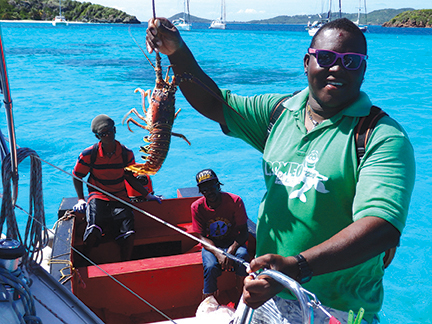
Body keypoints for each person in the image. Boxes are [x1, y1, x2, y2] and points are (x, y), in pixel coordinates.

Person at [146, 18, 415, 323]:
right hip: (268, 293)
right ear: (307, 62)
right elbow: (213, 102)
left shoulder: (382, 136)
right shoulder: (278, 114)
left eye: (351, 62)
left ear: (364, 70)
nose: (337, 69)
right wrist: (176, 51)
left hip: (338, 307)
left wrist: (296, 267)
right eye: (326, 58)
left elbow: (381, 228)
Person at [72, 114, 161, 261]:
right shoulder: (89, 154)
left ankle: (125, 263)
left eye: (110, 131)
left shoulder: (126, 154)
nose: (108, 136)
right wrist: (81, 199)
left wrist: (147, 195)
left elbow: (130, 178)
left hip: (119, 196)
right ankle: (85, 260)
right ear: (97, 137)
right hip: (97, 196)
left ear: (115, 130)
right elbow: (77, 176)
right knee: (93, 230)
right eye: (103, 134)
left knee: (129, 234)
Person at [191, 169, 249, 302]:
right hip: (212, 245)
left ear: (219, 185)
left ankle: (241, 295)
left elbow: (244, 232)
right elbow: (201, 237)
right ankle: (209, 300)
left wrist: (230, 251)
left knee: (242, 257)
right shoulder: (196, 207)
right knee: (210, 266)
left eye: (212, 187)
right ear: (200, 191)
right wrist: (218, 253)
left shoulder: (235, 201)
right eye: (205, 189)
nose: (209, 191)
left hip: (233, 242)